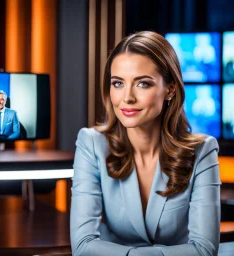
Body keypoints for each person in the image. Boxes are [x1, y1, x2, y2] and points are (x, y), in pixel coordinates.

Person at [71, 31, 221, 256]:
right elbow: (82, 245)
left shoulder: (202, 151)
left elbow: (204, 249)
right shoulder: (91, 144)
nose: (127, 98)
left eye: (142, 84)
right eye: (118, 83)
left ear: (170, 89)